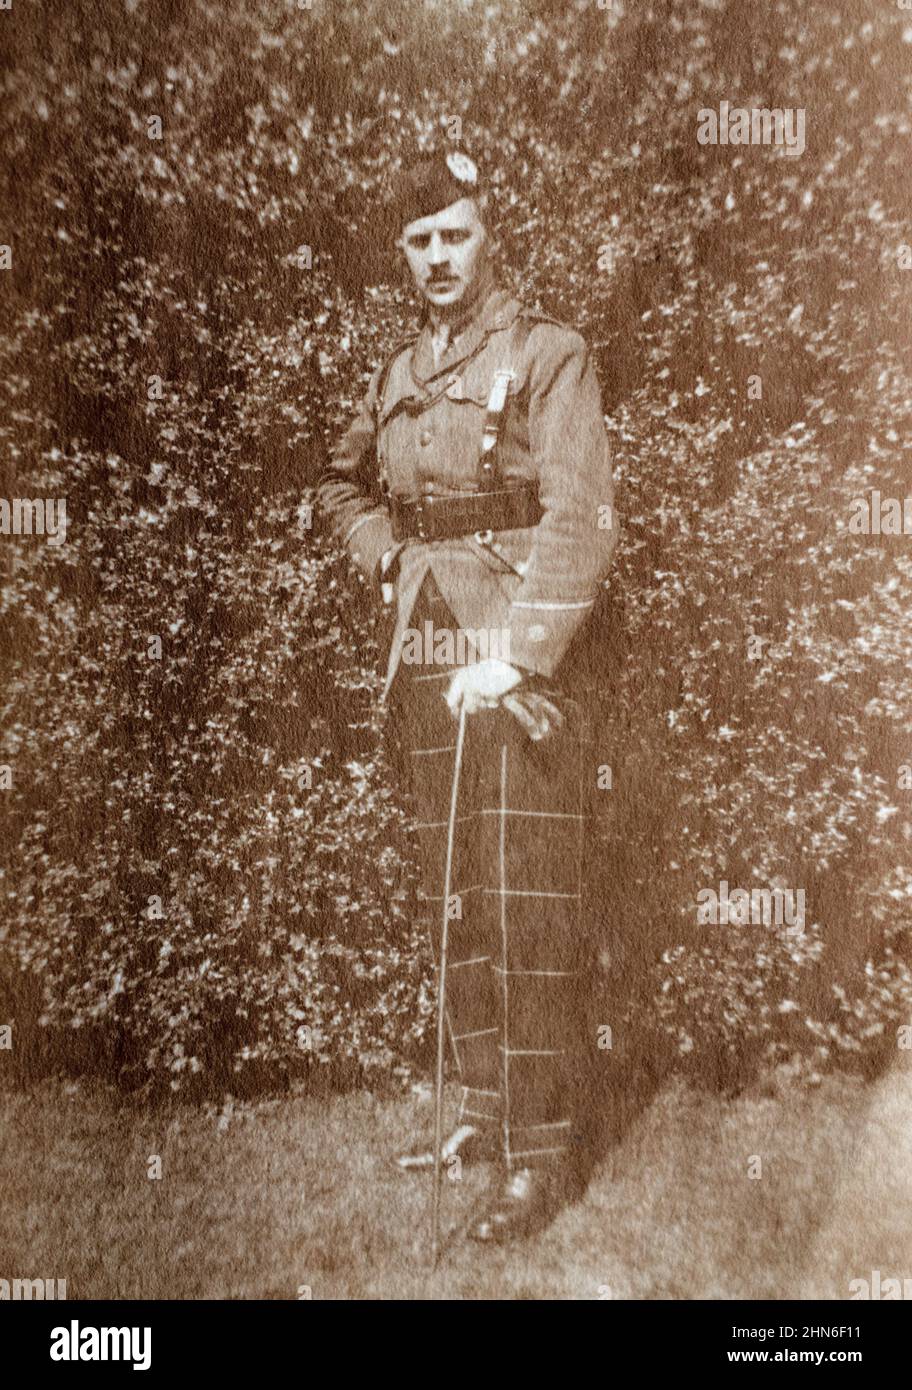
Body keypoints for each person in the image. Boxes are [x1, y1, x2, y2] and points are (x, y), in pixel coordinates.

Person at [318, 150, 618, 1244]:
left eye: (455, 233)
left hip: (517, 663)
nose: (437, 256)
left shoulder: (549, 355)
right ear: (402, 254)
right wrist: (387, 560)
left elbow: (581, 515)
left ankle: (538, 1160)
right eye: (418, 240)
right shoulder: (397, 374)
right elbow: (339, 483)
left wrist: (523, 653)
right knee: (457, 900)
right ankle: (483, 1119)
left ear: (490, 236)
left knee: (528, 908)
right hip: (428, 653)